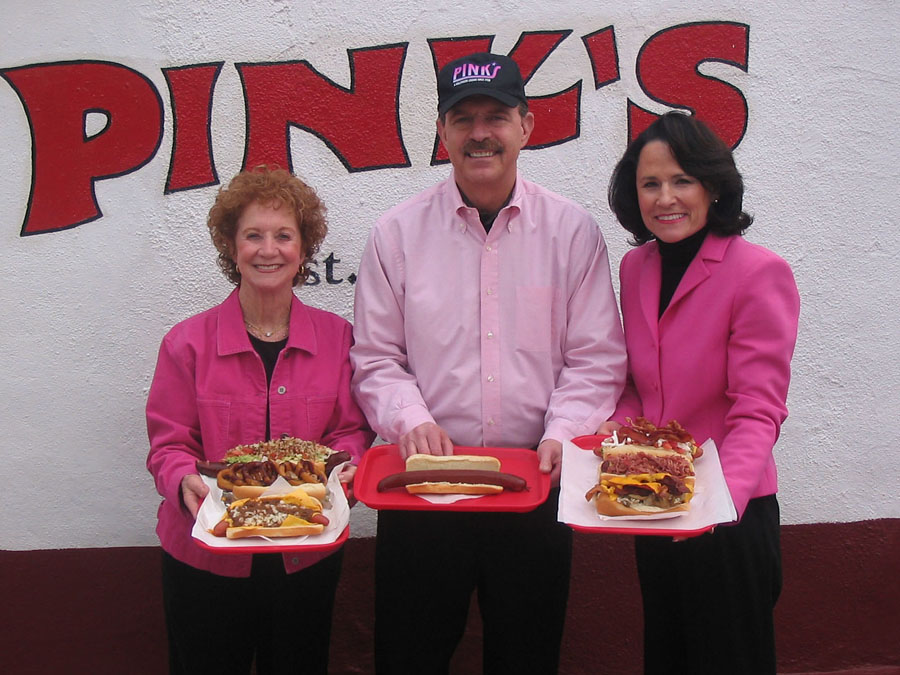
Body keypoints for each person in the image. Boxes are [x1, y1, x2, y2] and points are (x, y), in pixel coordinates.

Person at [350, 52, 627, 674]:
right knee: (409, 657)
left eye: (496, 116)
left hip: (534, 490)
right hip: (421, 491)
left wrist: (563, 433)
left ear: (526, 126)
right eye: (462, 117)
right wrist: (408, 417)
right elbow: (375, 357)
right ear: (442, 133)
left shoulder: (573, 232)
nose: (480, 133)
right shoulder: (395, 235)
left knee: (527, 658)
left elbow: (596, 358)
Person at [146, 166, 374, 675]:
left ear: (303, 248)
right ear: (231, 245)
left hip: (306, 554)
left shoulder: (338, 339)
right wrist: (181, 476)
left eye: (283, 236)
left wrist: (348, 468)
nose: (268, 249)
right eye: (253, 235)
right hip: (207, 555)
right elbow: (169, 442)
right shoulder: (186, 343)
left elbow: (349, 432)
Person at [603, 111, 800, 674]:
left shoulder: (758, 273)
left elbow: (759, 410)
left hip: (730, 516)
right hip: (655, 501)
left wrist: (717, 503)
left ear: (713, 186)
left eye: (682, 180)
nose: (666, 197)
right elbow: (644, 390)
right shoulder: (636, 267)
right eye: (650, 183)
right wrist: (610, 434)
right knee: (667, 656)